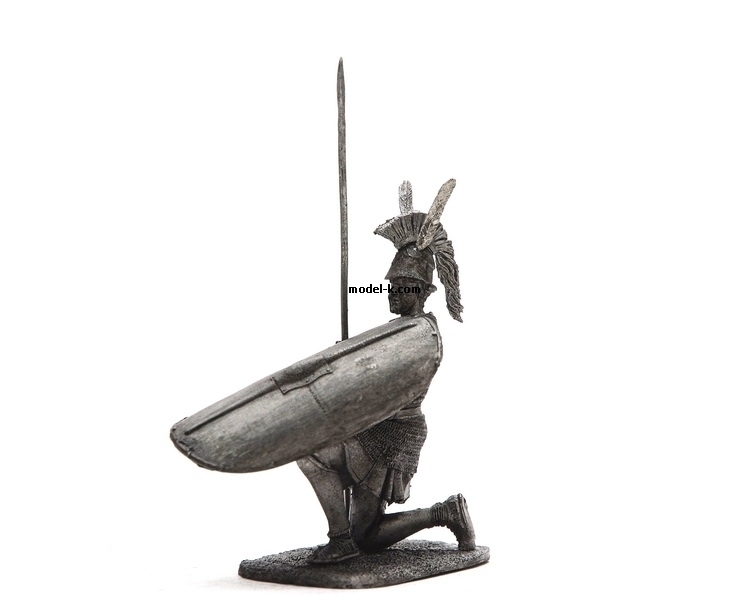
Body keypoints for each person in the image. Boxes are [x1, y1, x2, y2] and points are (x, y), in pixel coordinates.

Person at [296, 181, 475, 564]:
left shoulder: (420, 335)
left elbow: (388, 387)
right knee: (311, 453)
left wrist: (349, 372)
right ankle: (341, 538)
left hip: (392, 432)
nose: (394, 292)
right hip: (372, 426)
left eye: (405, 287)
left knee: (368, 535)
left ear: (424, 291)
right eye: (391, 285)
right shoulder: (398, 329)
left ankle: (442, 514)